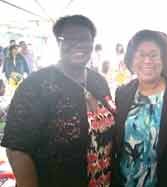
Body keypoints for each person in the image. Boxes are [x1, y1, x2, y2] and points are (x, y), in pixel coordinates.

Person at [1, 15, 115, 187]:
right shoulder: (36, 84)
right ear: (58, 43)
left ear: (92, 43)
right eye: (69, 38)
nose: (78, 44)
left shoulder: (98, 80)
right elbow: (16, 147)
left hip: (102, 179)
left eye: (84, 39)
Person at [112, 30, 167, 187]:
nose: (147, 61)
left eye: (154, 55)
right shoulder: (122, 93)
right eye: (140, 55)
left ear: (163, 59)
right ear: (131, 59)